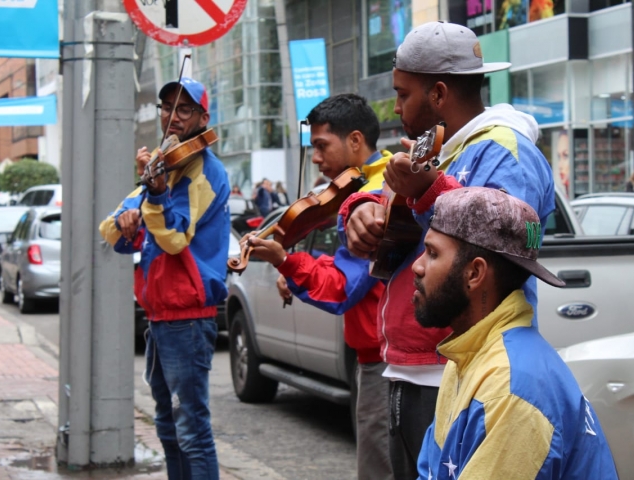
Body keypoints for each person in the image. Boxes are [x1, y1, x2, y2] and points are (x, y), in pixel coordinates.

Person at [341, 21, 556, 479]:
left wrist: (430, 190)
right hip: (418, 366)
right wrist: (360, 208)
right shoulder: (436, 146)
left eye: (403, 95)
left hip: (460, 368)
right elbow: (381, 188)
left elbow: (503, 246)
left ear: (438, 93)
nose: (395, 107)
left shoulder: (506, 150)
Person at [413, 187, 617, 479]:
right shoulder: (470, 353)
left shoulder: (510, 389)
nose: (417, 266)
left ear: (474, 274)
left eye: (432, 253)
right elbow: (432, 470)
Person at [245, 93, 394, 480]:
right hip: (385, 355)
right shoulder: (386, 175)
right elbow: (360, 269)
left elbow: (344, 287)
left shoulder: (372, 197)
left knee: (379, 469)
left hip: (385, 360)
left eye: (322, 146)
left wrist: (285, 260)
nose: (315, 158)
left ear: (356, 141)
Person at [99, 77, 230, 480]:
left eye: (184, 109)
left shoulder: (204, 171)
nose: (172, 117)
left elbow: (173, 238)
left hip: (188, 317)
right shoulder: (161, 164)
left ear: (203, 118)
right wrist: (129, 221)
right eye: (166, 107)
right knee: (168, 427)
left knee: (190, 429)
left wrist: (154, 198)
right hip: (161, 317)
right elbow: (110, 231)